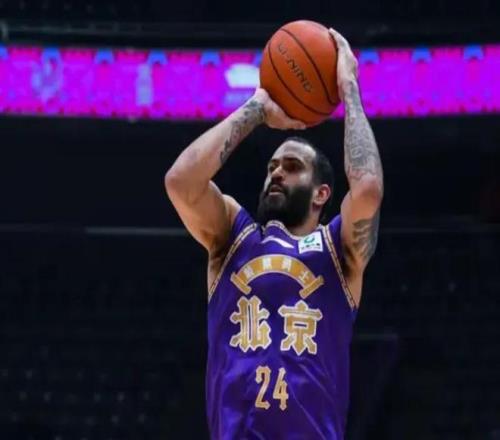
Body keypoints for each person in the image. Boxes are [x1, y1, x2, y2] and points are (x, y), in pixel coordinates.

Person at [165, 28, 383, 440]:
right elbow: (180, 182)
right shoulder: (234, 237)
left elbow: (368, 189)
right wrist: (257, 108)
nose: (277, 172)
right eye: (272, 167)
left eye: (293, 167)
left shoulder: (338, 250)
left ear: (322, 193)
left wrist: (349, 89)